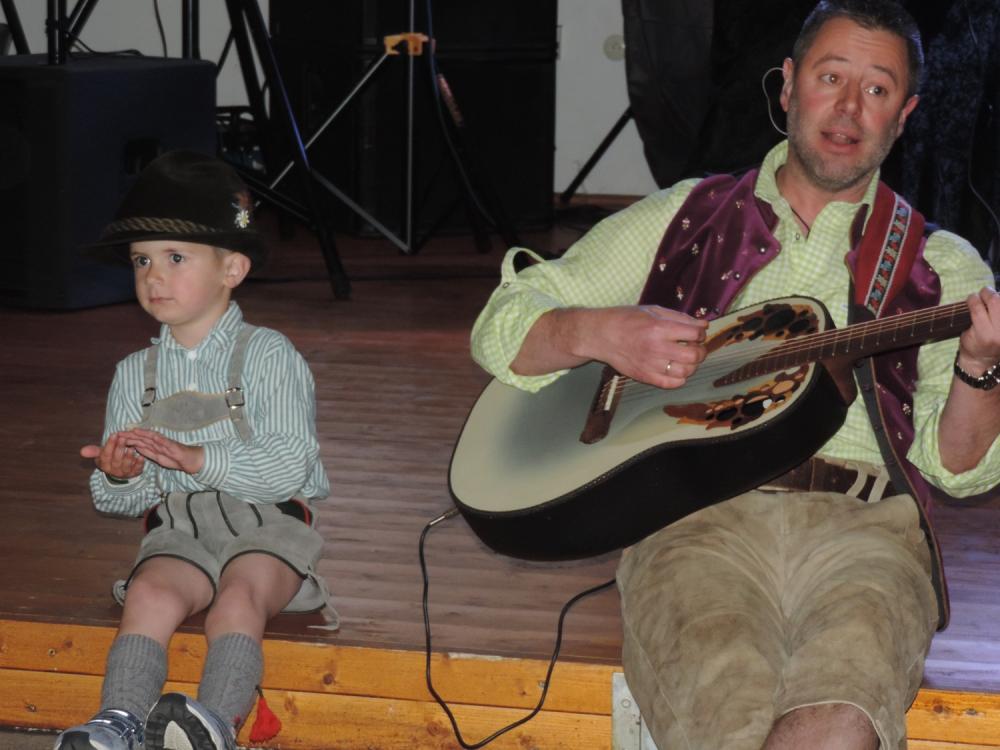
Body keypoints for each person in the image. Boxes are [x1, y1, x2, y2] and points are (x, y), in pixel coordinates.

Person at [470, 1, 1000, 748]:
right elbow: (503, 324)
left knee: (838, 725)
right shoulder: (686, 218)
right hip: (693, 520)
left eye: (878, 89)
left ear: (904, 115)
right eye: (831, 77)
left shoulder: (941, 266)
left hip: (867, 533)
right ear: (787, 85)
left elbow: (961, 471)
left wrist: (980, 368)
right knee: (726, 722)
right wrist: (598, 331)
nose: (850, 107)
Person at [55, 151, 335, 750]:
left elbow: (290, 465)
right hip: (181, 529)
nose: (154, 276)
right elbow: (116, 502)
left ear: (232, 267)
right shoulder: (134, 373)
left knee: (237, 596)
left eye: (175, 257)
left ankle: (215, 723)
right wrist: (122, 474)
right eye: (142, 261)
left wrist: (199, 459)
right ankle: (118, 721)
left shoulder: (268, 354)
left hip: (268, 525)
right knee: (150, 593)